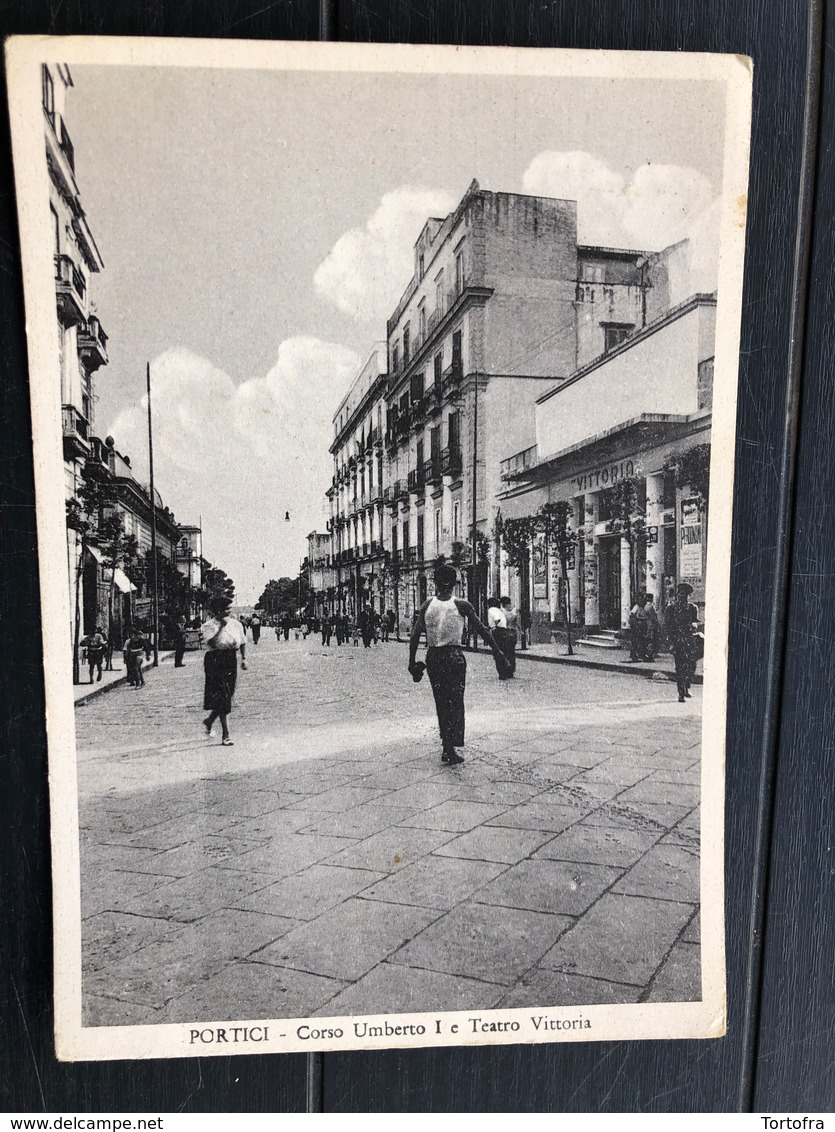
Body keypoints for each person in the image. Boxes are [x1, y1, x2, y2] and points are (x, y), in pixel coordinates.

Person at [409, 564, 510, 765]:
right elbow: (482, 630)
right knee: (455, 701)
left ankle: (447, 746)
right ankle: (450, 747)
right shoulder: (462, 605)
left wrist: (412, 662)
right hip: (454, 658)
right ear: (454, 583)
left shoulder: (427, 605)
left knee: (441, 701)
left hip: (433, 658)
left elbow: (414, 635)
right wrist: (498, 652)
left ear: (435, 583)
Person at [201, 599, 247, 745]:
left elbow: (243, 641)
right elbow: (212, 643)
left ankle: (209, 721)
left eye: (229, 609)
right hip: (215, 659)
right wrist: (221, 628)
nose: (228, 612)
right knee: (223, 696)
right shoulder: (208, 626)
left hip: (230, 659)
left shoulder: (236, 624)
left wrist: (244, 658)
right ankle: (226, 735)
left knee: (228, 695)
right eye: (225, 609)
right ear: (217, 611)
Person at [665, 583, 699, 702]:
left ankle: (686, 687)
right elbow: (668, 627)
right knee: (679, 667)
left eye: (685, 595)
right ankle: (681, 693)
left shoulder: (692, 608)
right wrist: (670, 643)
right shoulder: (671, 609)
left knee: (691, 666)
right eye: (680, 594)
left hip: (690, 640)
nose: (682, 597)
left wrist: (694, 626)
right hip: (678, 641)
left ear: (688, 596)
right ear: (677, 595)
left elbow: (695, 622)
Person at [486, 597, 509, 680]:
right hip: (504, 631)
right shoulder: (499, 610)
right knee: (503, 651)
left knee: (497, 653)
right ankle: (506, 672)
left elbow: (497, 620)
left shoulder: (492, 610)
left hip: (497, 632)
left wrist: (492, 627)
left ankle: (501, 673)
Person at [499, 596, 519, 677]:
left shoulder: (502, 611)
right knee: (512, 652)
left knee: (505, 652)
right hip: (513, 632)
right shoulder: (514, 611)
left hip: (505, 632)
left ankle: (506, 669)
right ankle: (511, 670)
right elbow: (517, 623)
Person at [628, 594, 649, 662]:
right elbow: (632, 616)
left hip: (642, 626)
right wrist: (637, 623)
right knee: (635, 641)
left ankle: (641, 654)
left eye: (642, 599)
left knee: (642, 641)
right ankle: (634, 655)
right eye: (640, 599)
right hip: (637, 627)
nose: (642, 601)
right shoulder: (636, 607)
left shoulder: (643, 608)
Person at [644, 593, 660, 661]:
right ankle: (649, 655)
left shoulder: (644, 606)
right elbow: (653, 617)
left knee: (647, 640)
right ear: (651, 599)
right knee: (651, 640)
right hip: (651, 625)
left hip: (646, 624)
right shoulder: (650, 607)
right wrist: (657, 624)